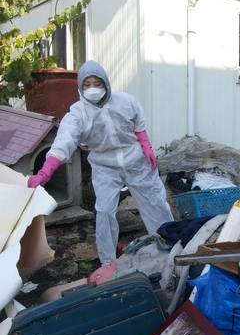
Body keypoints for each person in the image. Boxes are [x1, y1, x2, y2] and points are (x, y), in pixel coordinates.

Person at [28, 60, 174, 274]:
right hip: (105, 166)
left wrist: (146, 144)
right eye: (87, 85)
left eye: (97, 83)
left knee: (155, 202)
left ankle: (170, 243)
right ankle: (108, 263)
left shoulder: (125, 101)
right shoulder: (77, 114)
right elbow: (64, 141)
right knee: (104, 211)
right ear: (80, 87)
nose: (93, 89)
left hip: (135, 160)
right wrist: (46, 170)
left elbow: (138, 123)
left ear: (106, 83)